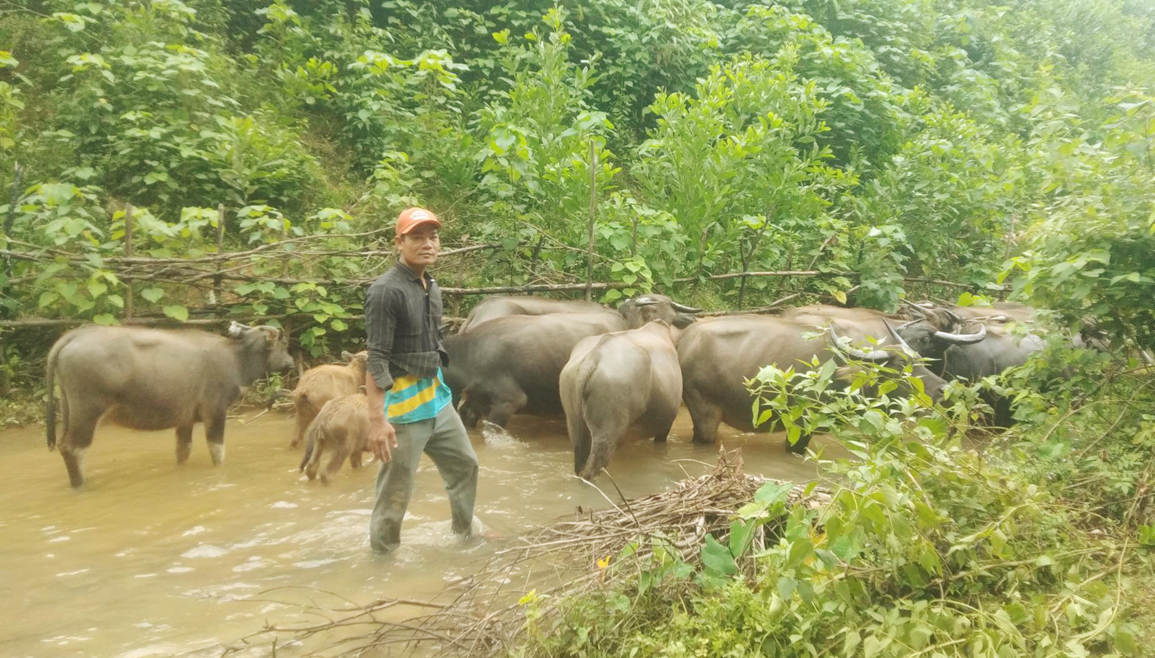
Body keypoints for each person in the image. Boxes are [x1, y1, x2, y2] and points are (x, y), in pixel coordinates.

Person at [364, 207, 479, 553]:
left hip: (435, 398)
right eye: (417, 237)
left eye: (433, 236)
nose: (427, 244)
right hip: (402, 407)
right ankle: (383, 557)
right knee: (396, 491)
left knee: (465, 465)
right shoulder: (386, 291)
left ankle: (464, 534)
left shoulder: (431, 287)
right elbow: (376, 356)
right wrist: (376, 419)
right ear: (399, 242)